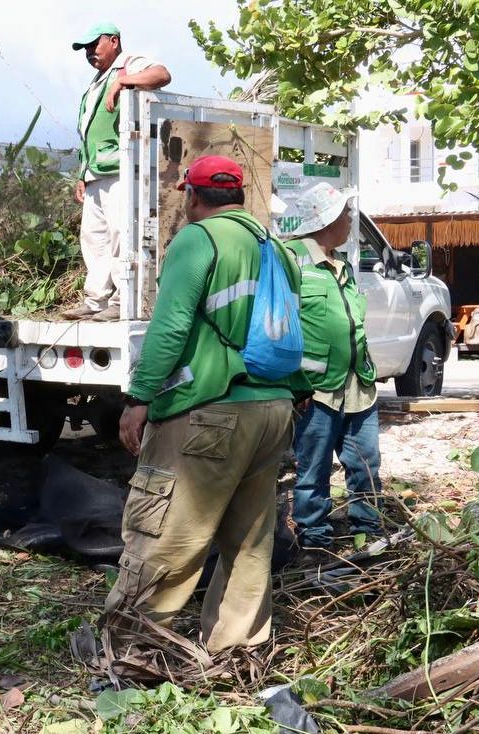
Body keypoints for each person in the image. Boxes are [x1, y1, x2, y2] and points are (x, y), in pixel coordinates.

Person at [107, 155, 309, 652]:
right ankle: (235, 652)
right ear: (239, 196)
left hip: (210, 409)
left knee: (166, 536)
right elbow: (294, 325)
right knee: (248, 543)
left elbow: (171, 326)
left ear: (191, 196)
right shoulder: (277, 248)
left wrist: (140, 398)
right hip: (273, 411)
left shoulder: (198, 240)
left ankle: (130, 652)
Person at [283, 183, 385, 556]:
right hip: (315, 390)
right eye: (345, 214)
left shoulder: (342, 264)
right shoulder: (291, 260)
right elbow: (278, 324)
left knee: (366, 464)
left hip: (358, 384)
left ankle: (369, 533)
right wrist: (293, 386)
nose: (349, 220)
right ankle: (316, 545)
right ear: (326, 220)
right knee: (313, 472)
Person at [61, 22, 171, 322]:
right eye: (85, 49)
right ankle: (95, 300)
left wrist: (124, 83)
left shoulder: (127, 65)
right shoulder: (98, 80)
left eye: (94, 45)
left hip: (122, 169)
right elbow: (89, 134)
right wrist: (83, 174)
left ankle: (123, 300)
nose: (90, 53)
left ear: (114, 41)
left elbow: (162, 74)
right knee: (93, 237)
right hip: (97, 172)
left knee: (122, 233)